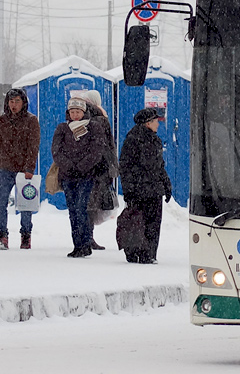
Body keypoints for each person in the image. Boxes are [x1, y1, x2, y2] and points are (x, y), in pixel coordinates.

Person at [51, 96, 109, 257]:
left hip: (86, 175)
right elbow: (56, 150)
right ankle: (77, 245)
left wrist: (82, 166)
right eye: (72, 111)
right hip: (68, 175)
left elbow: (96, 150)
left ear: (83, 112)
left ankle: (85, 243)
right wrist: (69, 165)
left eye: (78, 111)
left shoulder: (94, 127)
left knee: (81, 208)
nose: (75, 115)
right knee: (73, 211)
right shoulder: (63, 128)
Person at [119, 108, 172, 264]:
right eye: (156, 121)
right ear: (148, 123)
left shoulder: (155, 140)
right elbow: (126, 167)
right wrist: (129, 190)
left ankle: (148, 253)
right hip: (140, 189)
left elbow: (159, 166)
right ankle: (137, 252)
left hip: (154, 189)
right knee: (138, 222)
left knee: (152, 223)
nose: (158, 125)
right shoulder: (133, 139)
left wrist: (166, 184)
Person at [0, 88, 41, 250]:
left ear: (23, 103)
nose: (14, 105)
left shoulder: (31, 121)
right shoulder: (2, 120)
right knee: (1, 202)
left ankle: (26, 235)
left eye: (17, 101)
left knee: (25, 203)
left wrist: (29, 167)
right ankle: (2, 235)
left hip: (23, 170)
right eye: (11, 102)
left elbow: (33, 146)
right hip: (5, 168)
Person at [81, 90, 118, 250]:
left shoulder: (84, 116)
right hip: (99, 167)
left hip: (86, 166)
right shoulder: (100, 117)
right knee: (92, 204)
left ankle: (84, 236)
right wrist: (111, 165)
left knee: (86, 203)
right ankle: (88, 237)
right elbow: (107, 144)